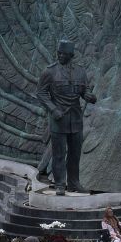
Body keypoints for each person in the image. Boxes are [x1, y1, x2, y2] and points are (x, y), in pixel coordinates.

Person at [36, 39, 96, 195]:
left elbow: (84, 90)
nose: (60, 56)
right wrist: (53, 109)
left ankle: (74, 183)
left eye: (64, 54)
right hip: (59, 119)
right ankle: (60, 184)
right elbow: (41, 93)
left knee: (75, 154)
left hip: (75, 118)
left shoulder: (81, 71)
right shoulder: (49, 72)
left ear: (71, 55)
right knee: (59, 154)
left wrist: (89, 96)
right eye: (59, 53)